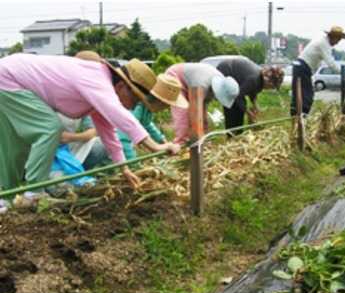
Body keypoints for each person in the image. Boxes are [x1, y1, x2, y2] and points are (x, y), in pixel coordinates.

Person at [0, 52, 184, 192]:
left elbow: (109, 134)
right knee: (50, 128)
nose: (132, 106)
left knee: (14, 144)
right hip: (9, 78)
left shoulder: (99, 91)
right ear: (121, 86)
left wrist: (124, 169)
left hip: (8, 78)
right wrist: (156, 147)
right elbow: (122, 117)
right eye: (134, 100)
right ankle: (34, 191)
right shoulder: (98, 81)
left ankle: (6, 196)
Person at [166, 62, 239, 144]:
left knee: (202, 117)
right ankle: (181, 143)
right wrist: (197, 138)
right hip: (175, 77)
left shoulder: (220, 81)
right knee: (183, 113)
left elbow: (202, 110)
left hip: (192, 83)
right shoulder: (202, 84)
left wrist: (204, 134)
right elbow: (195, 115)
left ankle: (204, 140)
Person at [291, 26, 345, 116]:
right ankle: (301, 119)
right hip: (302, 68)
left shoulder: (323, 40)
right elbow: (331, 64)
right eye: (337, 40)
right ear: (333, 37)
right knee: (306, 96)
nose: (337, 43)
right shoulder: (324, 43)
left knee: (299, 96)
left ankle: (298, 120)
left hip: (301, 67)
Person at [216, 56, 284, 134]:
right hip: (226, 72)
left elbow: (251, 90)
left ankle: (238, 132)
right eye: (272, 87)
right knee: (233, 106)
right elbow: (238, 96)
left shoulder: (259, 78)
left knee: (240, 107)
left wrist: (255, 104)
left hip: (236, 77)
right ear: (269, 82)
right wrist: (248, 112)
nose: (271, 89)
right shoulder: (254, 79)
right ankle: (232, 134)